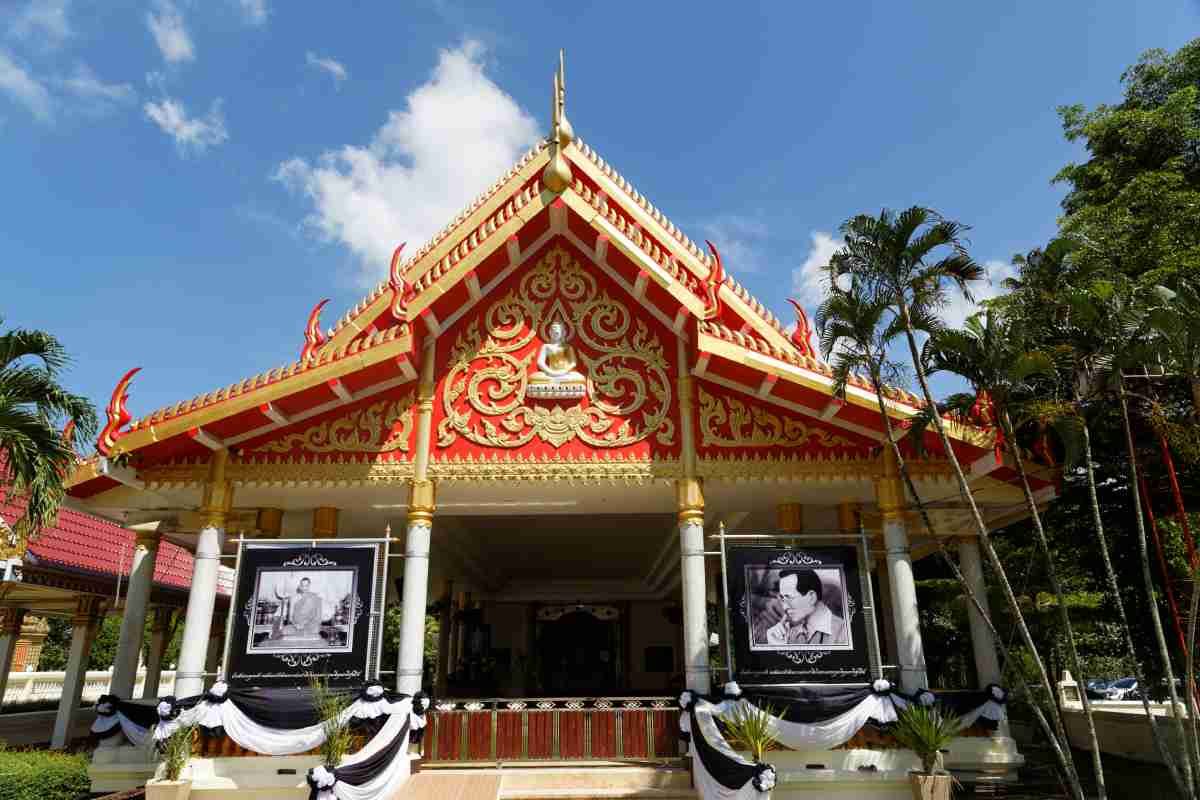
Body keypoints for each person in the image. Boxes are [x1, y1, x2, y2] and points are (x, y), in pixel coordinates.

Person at [761, 569, 848, 646]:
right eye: (783, 599)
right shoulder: (790, 634)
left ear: (811, 597)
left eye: (789, 598)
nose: (784, 607)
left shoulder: (845, 634)